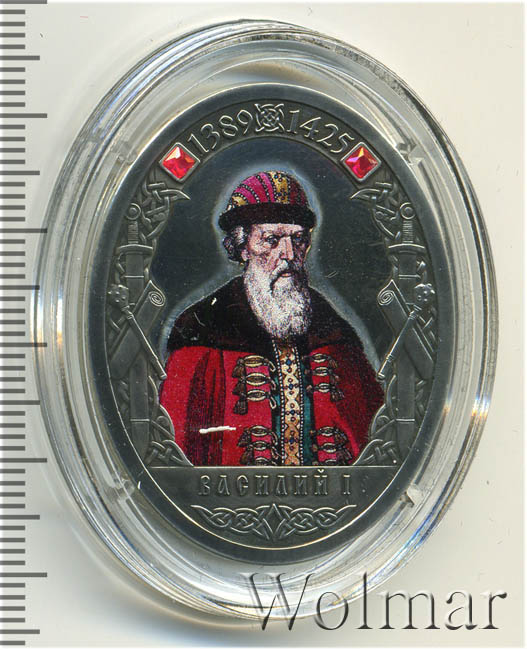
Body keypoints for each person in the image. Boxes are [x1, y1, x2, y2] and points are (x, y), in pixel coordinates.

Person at [159, 171, 383, 466]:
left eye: (298, 240)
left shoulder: (335, 331)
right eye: (272, 240)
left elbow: (372, 442)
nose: (288, 254)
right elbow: (176, 451)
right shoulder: (202, 328)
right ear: (243, 247)